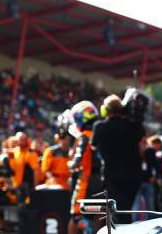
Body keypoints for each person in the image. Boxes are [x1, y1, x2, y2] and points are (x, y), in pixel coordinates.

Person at [91, 94, 144, 224]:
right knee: (127, 210)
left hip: (111, 175)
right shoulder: (133, 126)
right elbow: (141, 144)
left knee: (118, 212)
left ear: (105, 110)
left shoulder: (99, 127)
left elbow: (93, 146)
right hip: (133, 174)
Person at [67, 100, 102, 234]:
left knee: (77, 215)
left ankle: (90, 231)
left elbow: (77, 161)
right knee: (97, 214)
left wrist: (71, 164)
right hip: (100, 181)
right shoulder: (99, 133)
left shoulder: (84, 137)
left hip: (86, 181)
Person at [10, 132, 40, 204]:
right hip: (18, 184)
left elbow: (36, 170)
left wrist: (35, 186)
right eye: (20, 139)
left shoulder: (30, 153)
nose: (21, 141)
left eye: (24, 139)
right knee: (20, 206)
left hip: (27, 185)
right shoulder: (15, 151)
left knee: (28, 207)